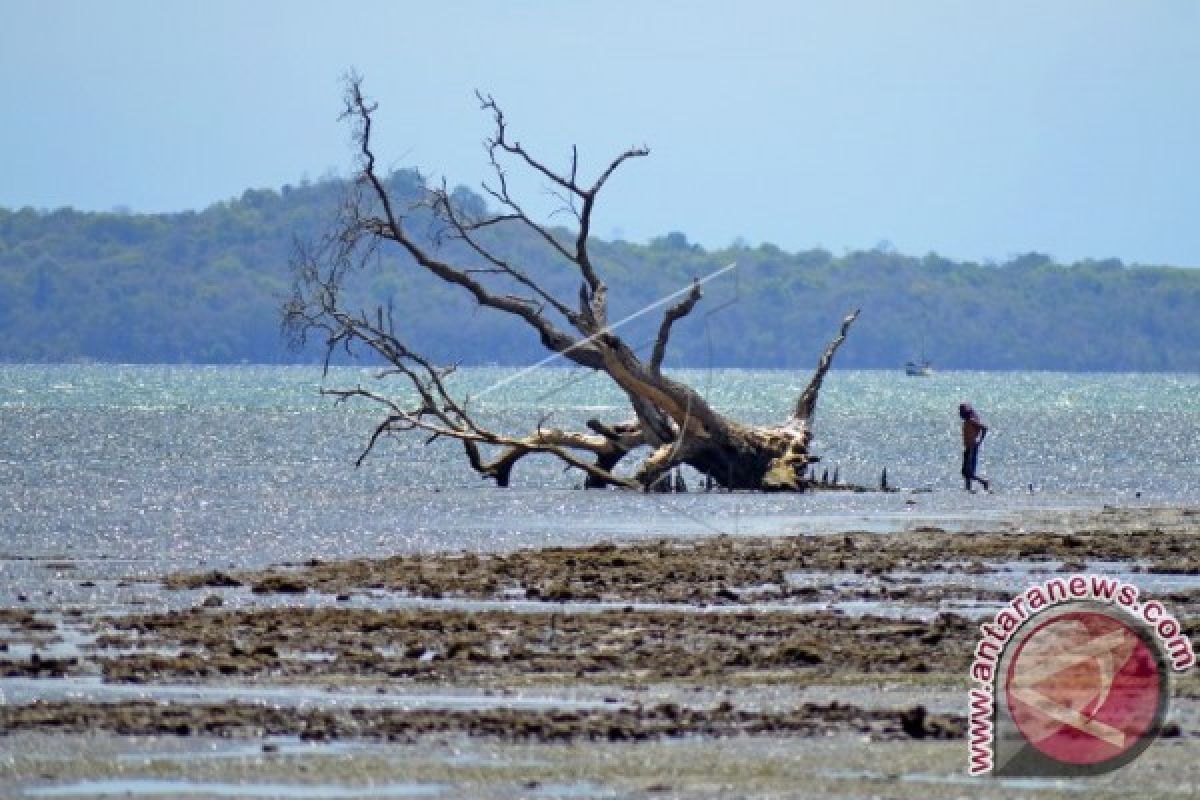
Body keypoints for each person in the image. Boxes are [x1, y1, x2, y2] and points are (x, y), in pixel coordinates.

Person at [959, 402, 990, 491]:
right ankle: (968, 489)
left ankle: (984, 482)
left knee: (967, 471)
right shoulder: (967, 421)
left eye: (961, 411)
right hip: (968, 447)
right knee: (965, 471)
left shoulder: (971, 421)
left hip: (971, 447)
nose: (960, 413)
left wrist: (980, 441)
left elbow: (984, 428)